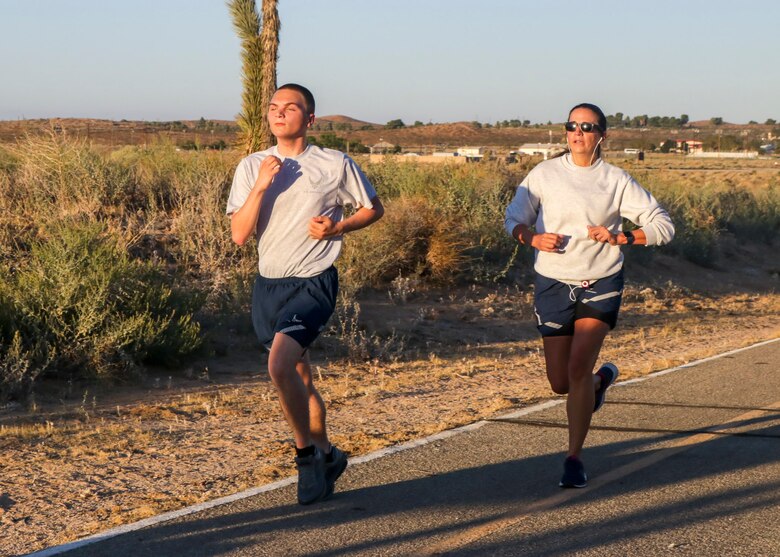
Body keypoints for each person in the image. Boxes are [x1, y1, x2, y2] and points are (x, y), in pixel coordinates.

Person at [226, 83, 384, 505]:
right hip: (268, 285)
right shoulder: (252, 165)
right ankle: (329, 455)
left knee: (279, 368)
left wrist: (339, 227)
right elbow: (240, 235)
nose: (278, 113)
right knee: (299, 378)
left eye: (290, 107)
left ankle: (306, 456)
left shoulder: (333, 164)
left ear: (309, 118)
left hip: (313, 280)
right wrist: (261, 185)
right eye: (273, 107)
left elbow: (373, 208)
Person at [504, 102, 674, 488]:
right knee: (560, 383)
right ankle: (598, 385)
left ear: (602, 135)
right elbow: (513, 219)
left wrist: (621, 237)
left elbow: (663, 225)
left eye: (587, 126)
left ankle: (574, 458)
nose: (578, 132)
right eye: (572, 125)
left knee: (578, 367)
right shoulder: (543, 174)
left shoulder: (615, 180)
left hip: (601, 280)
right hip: (552, 281)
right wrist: (531, 237)